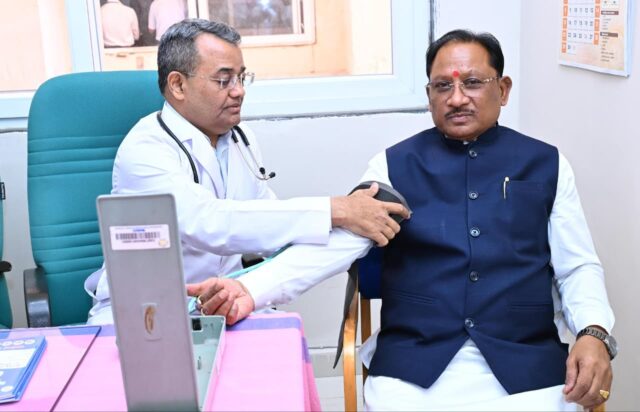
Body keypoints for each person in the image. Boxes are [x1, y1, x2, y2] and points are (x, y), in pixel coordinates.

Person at [188, 29, 616, 411]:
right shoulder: (394, 166)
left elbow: (576, 265)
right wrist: (250, 289)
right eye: (442, 86)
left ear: (502, 90)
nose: (457, 98)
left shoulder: (546, 164)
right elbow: (336, 245)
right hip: (415, 363)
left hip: (524, 359)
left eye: (472, 83)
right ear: (429, 95)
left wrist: (594, 332)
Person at [84, 18, 409, 325]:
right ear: (178, 85)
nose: (238, 90)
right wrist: (335, 210)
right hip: (147, 313)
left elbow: (269, 228)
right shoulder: (145, 149)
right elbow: (208, 222)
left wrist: (350, 227)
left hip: (222, 305)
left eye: (241, 77)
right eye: (224, 80)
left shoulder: (240, 139)